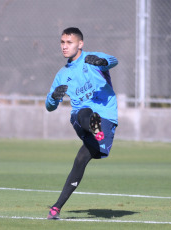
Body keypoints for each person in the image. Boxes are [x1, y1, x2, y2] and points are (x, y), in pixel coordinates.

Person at [45, 27, 118, 219]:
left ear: (80, 44)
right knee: (83, 111)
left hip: (107, 119)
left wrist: (103, 62)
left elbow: (113, 61)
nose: (64, 46)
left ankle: (56, 208)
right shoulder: (62, 74)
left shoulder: (92, 59)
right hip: (82, 121)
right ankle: (94, 127)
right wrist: (53, 97)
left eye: (69, 42)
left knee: (80, 160)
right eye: (62, 42)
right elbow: (49, 106)